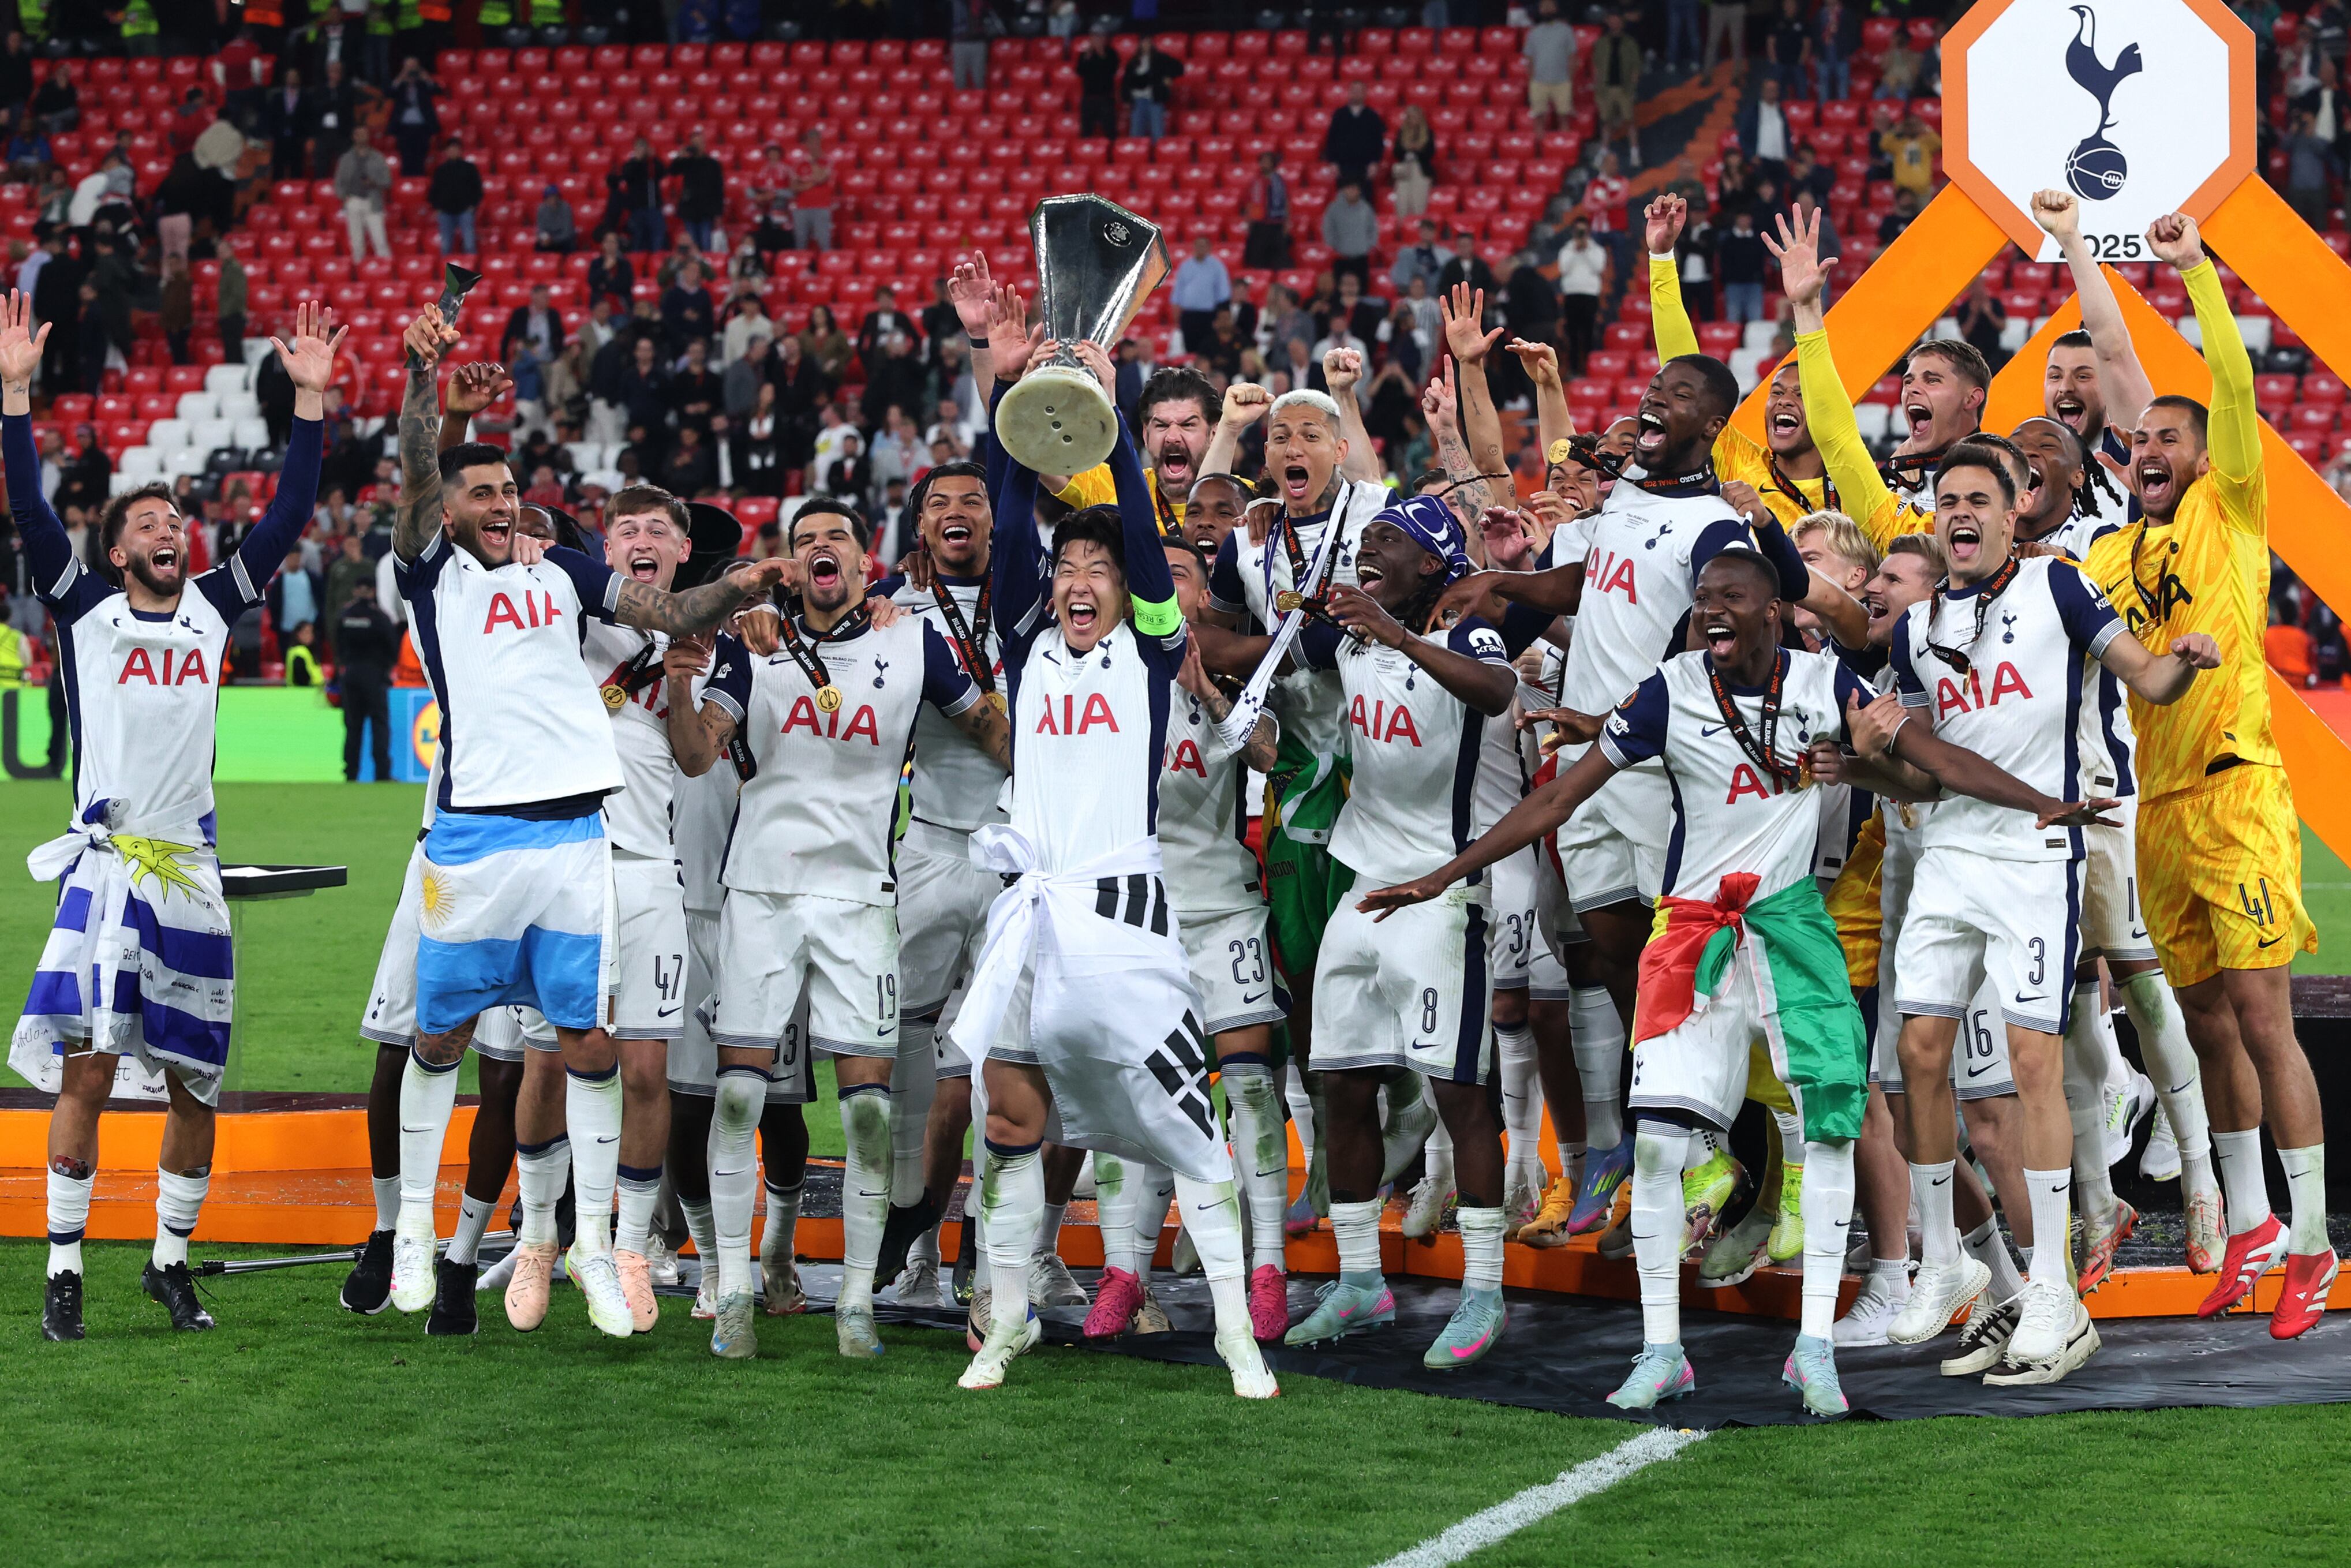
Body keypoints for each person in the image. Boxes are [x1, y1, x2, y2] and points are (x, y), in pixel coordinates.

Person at [378, 299, 787, 1341]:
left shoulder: (564, 576)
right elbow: (418, 483)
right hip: (474, 836)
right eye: (487, 494)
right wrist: (423, 383)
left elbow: (660, 615)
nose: (506, 505)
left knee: (592, 1049)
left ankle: (602, 1248)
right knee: (447, 1037)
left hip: (582, 840)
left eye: (515, 490)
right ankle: (429, 1242)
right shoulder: (434, 577)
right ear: (453, 516)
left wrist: (729, 588)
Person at [1853, 440, 2219, 1385]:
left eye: (1979, 497)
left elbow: (2142, 677)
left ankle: (2053, 1287)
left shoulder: (2058, 590)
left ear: (2015, 510)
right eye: (1947, 500)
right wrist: (1862, 752)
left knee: (2028, 1064)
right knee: (1915, 1056)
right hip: (1942, 855)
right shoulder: (1911, 629)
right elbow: (1910, 772)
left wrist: (2181, 663)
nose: (1960, 513)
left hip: (2033, 855)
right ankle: (1944, 1258)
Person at [7, 293, 336, 1342]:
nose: (168, 530)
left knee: (197, 1081)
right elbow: (28, 509)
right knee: (92, 1072)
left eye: (174, 522)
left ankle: (168, 1263)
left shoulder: (211, 603)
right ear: (114, 554)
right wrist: (15, 395)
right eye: (146, 525)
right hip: (107, 874)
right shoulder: (84, 609)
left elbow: (285, 516)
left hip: (191, 870)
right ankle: (65, 1273)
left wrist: (314, 408)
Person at [952, 332, 1274, 1399]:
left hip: (1129, 919)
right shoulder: (1023, 641)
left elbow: (1143, 541)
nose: (1079, 578)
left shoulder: (1145, 648)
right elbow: (1006, 527)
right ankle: (1005, 1321)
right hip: (1029, 916)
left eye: (1096, 568)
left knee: (1194, 1139)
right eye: (1067, 567)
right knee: (1007, 1123)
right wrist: (1008, 389)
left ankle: (1233, 1327)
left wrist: (1112, 398)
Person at [2079, 213, 2338, 1338]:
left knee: (2263, 1017)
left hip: (2238, 794)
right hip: (2159, 806)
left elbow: (2226, 386)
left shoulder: (2232, 512)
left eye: (2169, 441)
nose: (2150, 452)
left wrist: (2194, 274)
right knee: (2201, 1024)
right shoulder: (2103, 555)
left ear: (2203, 454)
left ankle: (2317, 1243)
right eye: (2139, 443)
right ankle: (2249, 1223)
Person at [687, 496, 1009, 1363]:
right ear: (787, 567)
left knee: (867, 1114)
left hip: (862, 896)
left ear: (868, 567)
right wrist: (695, 657)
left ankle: (857, 1303)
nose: (820, 549)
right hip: (759, 892)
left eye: (837, 539)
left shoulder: (911, 640)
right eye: (803, 542)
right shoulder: (747, 643)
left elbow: (994, 735)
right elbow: (697, 749)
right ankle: (735, 1295)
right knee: (740, 1096)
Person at [1156, 535, 1290, 1340]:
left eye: (1177, 574)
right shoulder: (1103, 678)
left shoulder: (1237, 682)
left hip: (1222, 908)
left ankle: (1266, 1267)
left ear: (1206, 597)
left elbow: (1275, 751)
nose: (1161, 586)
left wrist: (1212, 696)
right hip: (1138, 919)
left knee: (1248, 1089)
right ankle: (1126, 1272)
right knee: (1147, 1101)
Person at [336, 576, 398, 781]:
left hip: (351, 673)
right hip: (374, 674)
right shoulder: (379, 616)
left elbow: (337, 642)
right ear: (373, 591)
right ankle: (382, 774)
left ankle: (351, 773)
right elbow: (392, 646)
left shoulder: (345, 615)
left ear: (355, 591)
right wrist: (385, 667)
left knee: (353, 725)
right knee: (379, 724)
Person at [1591, 12, 1644, 166]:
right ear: (1608, 22)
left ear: (1622, 23)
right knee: (1606, 122)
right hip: (1606, 89)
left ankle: (1635, 152)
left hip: (1624, 89)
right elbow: (1596, 67)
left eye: (1617, 20)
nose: (1615, 24)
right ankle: (1604, 151)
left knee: (1630, 121)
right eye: (1612, 20)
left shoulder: (1630, 43)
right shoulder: (1601, 43)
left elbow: (1636, 68)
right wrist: (1598, 88)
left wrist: (1633, 89)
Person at [334, 122, 392, 260]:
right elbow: (338, 182)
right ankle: (358, 274)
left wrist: (374, 182)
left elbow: (388, 181)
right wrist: (344, 198)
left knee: (380, 241)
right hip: (353, 201)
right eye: (359, 134)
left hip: (373, 202)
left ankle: (387, 273)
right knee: (357, 243)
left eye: (364, 134)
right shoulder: (346, 159)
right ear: (354, 137)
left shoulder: (377, 157)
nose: (362, 137)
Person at [1321, 81, 1387, 190]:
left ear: (1365, 94)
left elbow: (1378, 142)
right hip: (1344, 168)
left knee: (1365, 200)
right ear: (1349, 93)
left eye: (1360, 91)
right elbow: (1331, 140)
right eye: (1354, 91)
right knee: (1344, 201)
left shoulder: (1372, 116)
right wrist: (1333, 162)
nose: (1356, 94)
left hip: (1365, 168)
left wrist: (1375, 163)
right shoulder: (1339, 115)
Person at [1172, 235, 1231, 354]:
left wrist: (1220, 316)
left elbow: (1224, 293)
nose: (1200, 248)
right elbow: (1178, 291)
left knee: (1208, 350)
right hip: (1188, 315)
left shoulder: (1217, 267)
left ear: (1209, 248)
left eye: (1203, 246)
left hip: (1208, 316)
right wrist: (1176, 311)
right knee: (1190, 349)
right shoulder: (1186, 266)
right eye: (1198, 246)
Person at [1524, 0, 1577, 130]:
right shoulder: (1534, 33)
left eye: (1550, 5)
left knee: (1564, 118)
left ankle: (1565, 149)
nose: (1547, 9)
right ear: (1540, 10)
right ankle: (1539, 149)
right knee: (1539, 119)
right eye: (1544, 6)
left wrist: (1569, 79)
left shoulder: (1566, 31)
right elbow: (1530, 60)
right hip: (1539, 83)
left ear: (1556, 8)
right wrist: (1532, 81)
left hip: (1562, 82)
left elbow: (1572, 58)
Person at [669, 132, 725, 253]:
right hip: (690, 209)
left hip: (706, 209)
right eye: (695, 143)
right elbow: (672, 171)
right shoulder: (687, 162)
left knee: (706, 244)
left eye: (699, 142)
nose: (697, 145)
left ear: (704, 144)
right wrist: (680, 156)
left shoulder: (713, 164)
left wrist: (718, 213)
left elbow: (719, 189)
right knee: (692, 244)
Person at [1320, 179, 1378, 291]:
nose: (1352, 192)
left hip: (1361, 259)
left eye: (1355, 189)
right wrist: (1334, 246)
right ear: (1344, 190)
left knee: (1362, 291)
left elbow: (1373, 229)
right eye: (1349, 188)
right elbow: (1328, 229)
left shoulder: (1366, 209)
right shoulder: (1334, 209)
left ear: (1359, 191)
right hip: (1341, 258)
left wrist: (1369, 245)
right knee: (1340, 292)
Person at [1122, 35, 1183, 143]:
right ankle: (1138, 157)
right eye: (1144, 42)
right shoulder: (1133, 62)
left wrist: (1168, 77)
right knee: (1136, 133)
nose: (1146, 45)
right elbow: (1127, 82)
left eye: (1148, 42)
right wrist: (1127, 99)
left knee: (1157, 132)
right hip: (1137, 100)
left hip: (1154, 99)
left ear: (1152, 44)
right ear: (1140, 45)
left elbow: (1179, 67)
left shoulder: (1160, 58)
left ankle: (1159, 156)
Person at [427, 137, 481, 256]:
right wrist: (437, 207)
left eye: (455, 149)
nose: (452, 152)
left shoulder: (470, 168)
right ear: (446, 152)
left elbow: (478, 189)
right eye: (450, 150)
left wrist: (473, 206)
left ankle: (471, 272)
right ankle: (447, 272)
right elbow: (434, 191)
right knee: (446, 245)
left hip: (465, 210)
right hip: (445, 212)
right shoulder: (441, 170)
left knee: (469, 244)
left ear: (461, 151)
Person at [788, 129, 834, 253]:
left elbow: (821, 178)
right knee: (800, 242)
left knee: (824, 241)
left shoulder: (827, 161)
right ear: (806, 144)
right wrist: (811, 184)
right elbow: (793, 187)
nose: (813, 145)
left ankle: (827, 268)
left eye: (816, 142)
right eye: (810, 142)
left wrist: (812, 162)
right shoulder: (799, 164)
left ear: (820, 143)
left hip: (821, 206)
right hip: (801, 207)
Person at [1243, 151, 1291, 270]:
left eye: (1267, 162)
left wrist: (1287, 222)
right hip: (1259, 224)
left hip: (1276, 224)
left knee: (1278, 259)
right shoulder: (1255, 181)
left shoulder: (1280, 182)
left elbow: (1286, 202)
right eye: (1262, 161)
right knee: (1258, 259)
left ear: (1273, 164)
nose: (1264, 164)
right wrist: (1249, 221)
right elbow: (1250, 202)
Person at [535, 183, 575, 255]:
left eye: (554, 196)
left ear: (558, 197)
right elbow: (541, 229)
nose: (552, 199)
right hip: (548, 240)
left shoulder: (566, 208)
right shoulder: (541, 209)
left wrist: (553, 240)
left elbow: (568, 231)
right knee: (538, 246)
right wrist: (544, 238)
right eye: (549, 197)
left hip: (562, 240)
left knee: (569, 244)